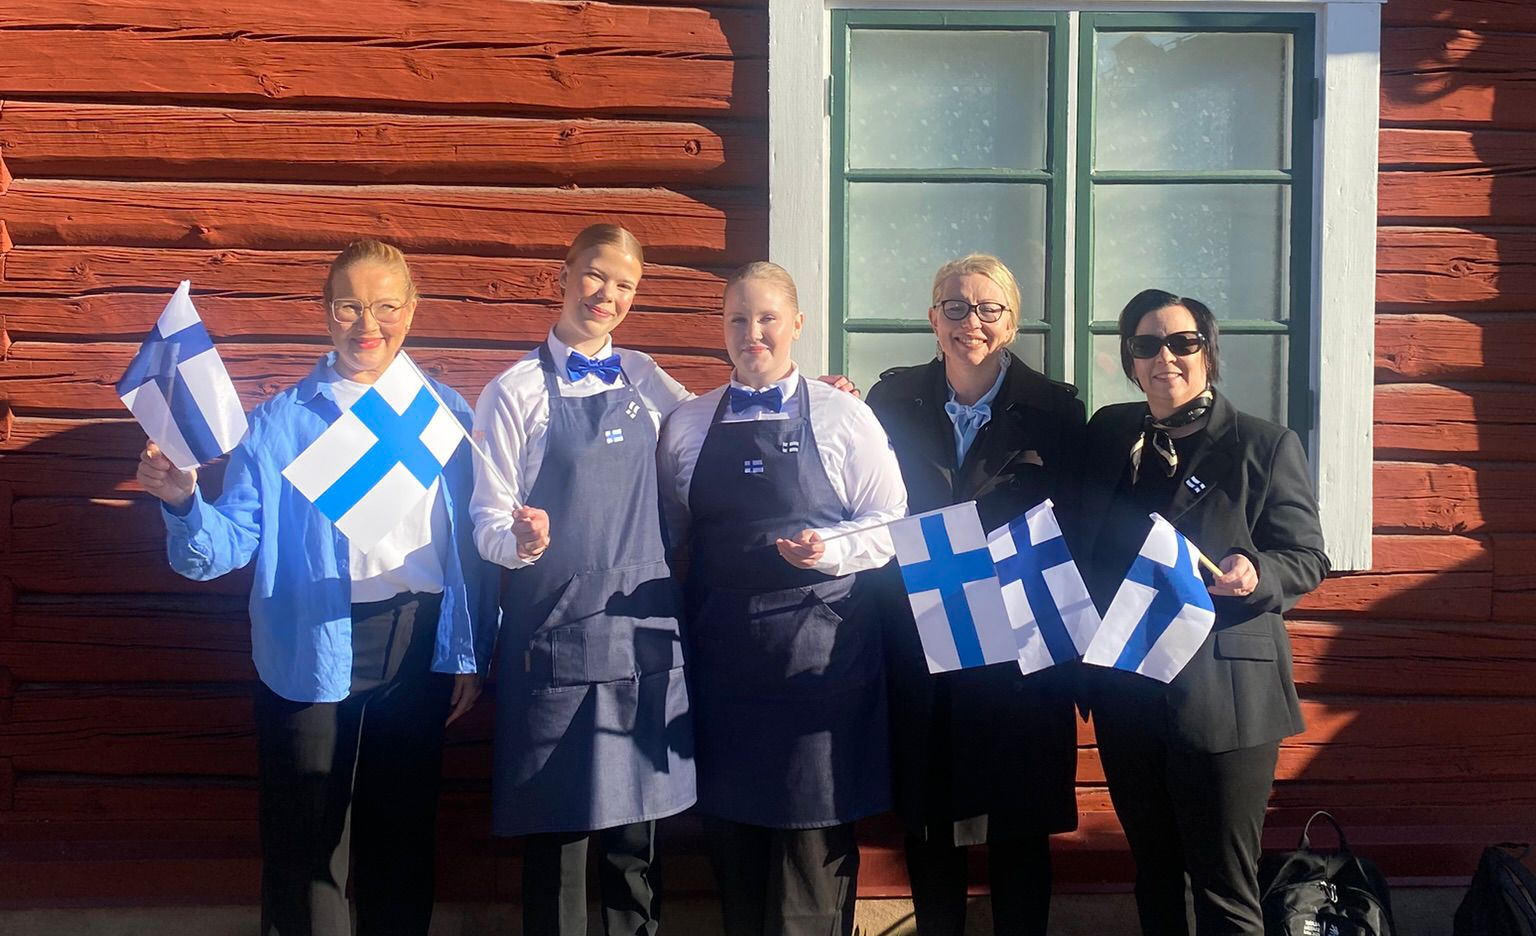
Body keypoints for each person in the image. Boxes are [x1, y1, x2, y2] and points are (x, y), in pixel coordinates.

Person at [135, 240, 498, 936]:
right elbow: (226, 548)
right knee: (308, 848)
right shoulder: (279, 423)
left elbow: (469, 555)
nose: (369, 323)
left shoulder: (444, 413)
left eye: (387, 305)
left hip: (417, 647)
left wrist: (466, 653)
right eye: (350, 306)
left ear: (412, 310)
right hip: (307, 645)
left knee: (401, 842)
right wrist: (185, 501)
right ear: (325, 315)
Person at [657, 261, 908, 936]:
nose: (752, 333)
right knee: (733, 847)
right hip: (723, 664)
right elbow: (670, 532)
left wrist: (827, 552)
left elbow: (889, 523)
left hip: (818, 661)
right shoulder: (685, 424)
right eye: (738, 319)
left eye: (768, 318)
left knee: (811, 849)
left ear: (797, 324)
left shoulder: (843, 415)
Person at [1078, 289, 1328, 936]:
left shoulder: (1262, 445)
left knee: (1224, 887)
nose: (1165, 357)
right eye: (1146, 344)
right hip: (1129, 692)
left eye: (1182, 342)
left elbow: (1305, 556)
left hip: (1225, 695)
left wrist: (1259, 573)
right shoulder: (1109, 434)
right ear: (1129, 360)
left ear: (1208, 353)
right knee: (1154, 873)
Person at [471, 223, 697, 936]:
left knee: (635, 846)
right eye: (597, 275)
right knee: (559, 843)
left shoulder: (650, 381)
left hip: (641, 638)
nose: (608, 295)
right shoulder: (511, 393)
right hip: (554, 645)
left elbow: (714, 445)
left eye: (626, 284)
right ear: (562, 274)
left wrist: (821, 395)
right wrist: (521, 539)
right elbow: (485, 522)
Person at [864, 254, 1085, 935]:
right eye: (955, 307)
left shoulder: (1057, 411)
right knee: (933, 831)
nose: (971, 322)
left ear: (1011, 321)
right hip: (923, 638)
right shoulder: (888, 403)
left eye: (988, 308)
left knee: (1018, 833)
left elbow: (1078, 521)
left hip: (1018, 650)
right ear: (933, 320)